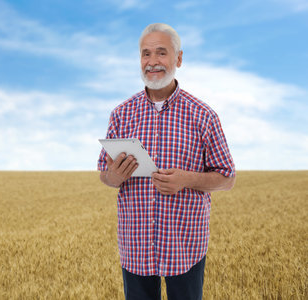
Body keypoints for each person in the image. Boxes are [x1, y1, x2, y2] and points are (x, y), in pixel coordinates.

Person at [97, 23, 236, 300]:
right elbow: (104, 173)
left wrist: (186, 179)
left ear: (178, 59)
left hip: (184, 245)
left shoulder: (203, 116)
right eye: (145, 54)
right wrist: (114, 176)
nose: (152, 62)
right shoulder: (121, 115)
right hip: (135, 246)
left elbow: (227, 177)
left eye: (161, 53)